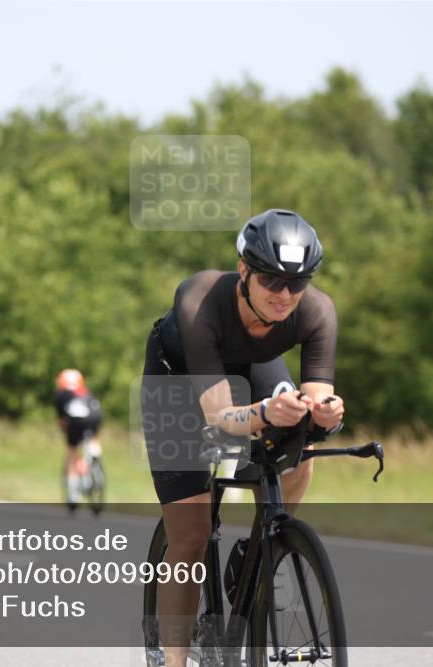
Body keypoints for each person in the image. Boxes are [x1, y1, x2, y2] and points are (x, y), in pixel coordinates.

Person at [141, 208, 345, 666]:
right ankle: (173, 659)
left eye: (298, 282)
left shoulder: (316, 312)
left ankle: (261, 548)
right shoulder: (199, 298)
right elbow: (218, 415)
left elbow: (316, 402)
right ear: (244, 272)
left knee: (301, 448)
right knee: (190, 537)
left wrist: (324, 413)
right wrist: (265, 412)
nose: (285, 294)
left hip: (251, 367)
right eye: (272, 280)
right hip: (179, 383)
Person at [54, 369, 103, 510]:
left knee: (72, 451)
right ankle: (94, 455)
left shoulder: (61, 395)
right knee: (93, 437)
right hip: (95, 414)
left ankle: (73, 493)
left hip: (75, 420)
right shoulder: (86, 392)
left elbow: (62, 420)